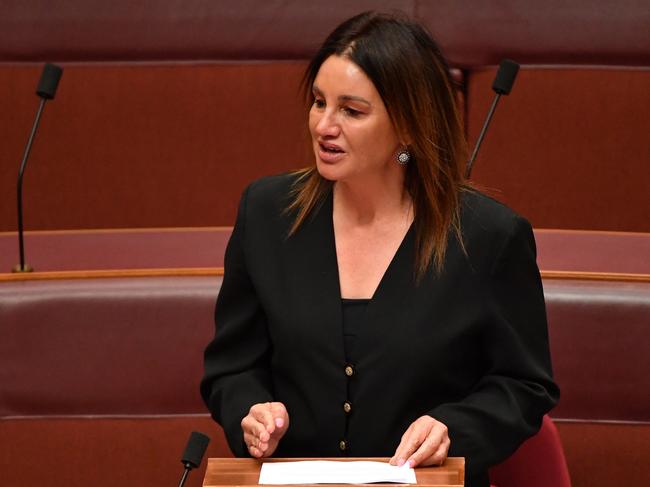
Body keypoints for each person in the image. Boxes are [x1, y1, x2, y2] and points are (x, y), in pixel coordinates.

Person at [201, 11, 559, 487]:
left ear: (408, 126)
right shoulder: (267, 214)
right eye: (318, 102)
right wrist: (248, 410)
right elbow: (232, 367)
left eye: (351, 110)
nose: (324, 125)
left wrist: (454, 429)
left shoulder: (487, 236)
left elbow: (524, 385)